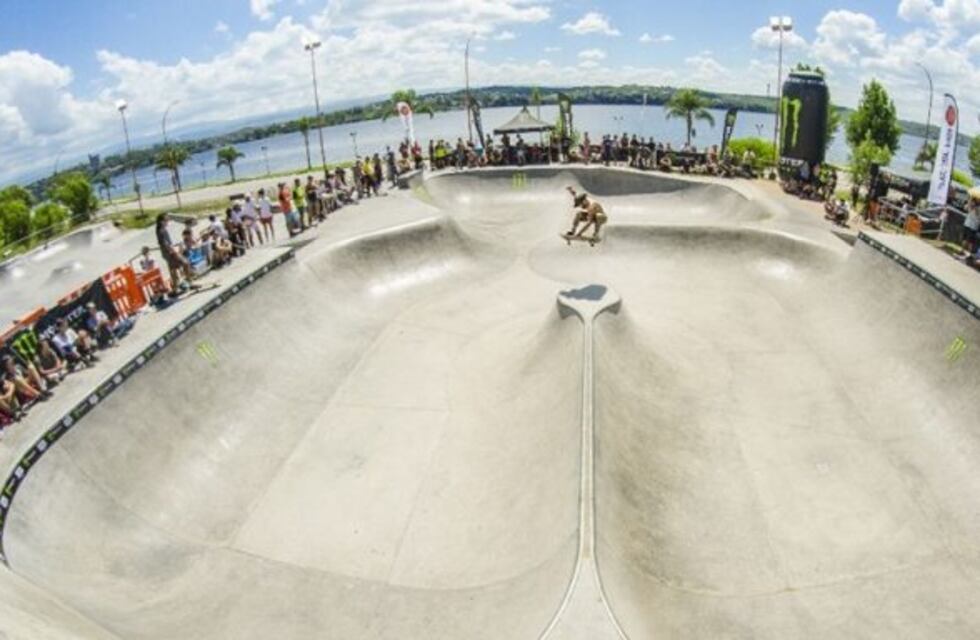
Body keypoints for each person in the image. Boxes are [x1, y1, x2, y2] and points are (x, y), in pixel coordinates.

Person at [156, 213, 191, 290]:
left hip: (166, 253)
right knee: (186, 263)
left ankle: (175, 289)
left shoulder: (160, 230)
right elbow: (165, 243)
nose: (168, 221)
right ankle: (189, 282)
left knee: (173, 269)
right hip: (170, 252)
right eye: (166, 220)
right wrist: (174, 251)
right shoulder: (161, 231)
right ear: (162, 221)